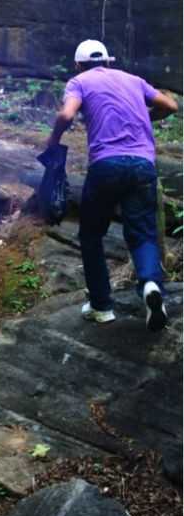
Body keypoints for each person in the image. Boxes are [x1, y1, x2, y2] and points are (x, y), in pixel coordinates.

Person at [47, 39, 178, 331]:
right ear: (107, 61)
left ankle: (101, 305)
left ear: (79, 65)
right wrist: (146, 118)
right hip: (143, 165)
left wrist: (53, 141)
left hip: (106, 165)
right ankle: (150, 287)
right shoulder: (133, 80)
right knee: (143, 233)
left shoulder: (79, 81)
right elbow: (170, 104)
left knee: (92, 234)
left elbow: (66, 114)